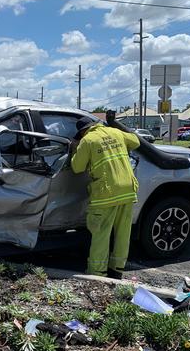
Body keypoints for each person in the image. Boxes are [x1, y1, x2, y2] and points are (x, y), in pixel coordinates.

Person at [70, 117, 140, 279]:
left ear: (82, 132)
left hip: (106, 193)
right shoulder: (115, 132)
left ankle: (97, 273)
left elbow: (77, 167)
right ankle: (117, 269)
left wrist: (75, 148)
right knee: (123, 233)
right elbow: (136, 141)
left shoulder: (87, 140)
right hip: (128, 189)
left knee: (101, 233)